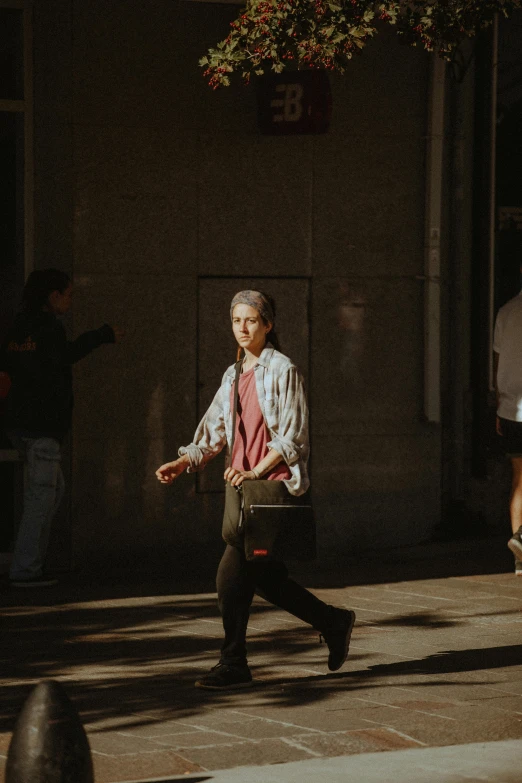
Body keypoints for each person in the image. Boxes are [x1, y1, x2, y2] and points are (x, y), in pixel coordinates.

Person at [156, 290, 356, 690]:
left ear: (268, 323)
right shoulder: (232, 376)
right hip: (247, 496)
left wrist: (255, 472)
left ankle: (234, 662)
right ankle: (333, 621)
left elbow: (293, 439)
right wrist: (183, 461)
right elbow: (212, 433)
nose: (242, 328)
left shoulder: (284, 370)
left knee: (230, 575)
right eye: (236, 321)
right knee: (266, 579)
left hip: (270, 492)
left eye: (250, 320)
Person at [0, 269, 123, 587]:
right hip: (42, 424)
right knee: (42, 495)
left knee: (51, 492)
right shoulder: (47, 328)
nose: (69, 301)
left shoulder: (17, 328)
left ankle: (28, 562)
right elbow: (64, 356)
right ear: (52, 295)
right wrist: (101, 335)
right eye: (68, 294)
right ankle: (25, 569)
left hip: (22, 423)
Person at [493, 277, 522, 576]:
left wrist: (499, 404)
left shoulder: (506, 311)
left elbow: (497, 359)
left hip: (511, 407)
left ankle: (519, 551)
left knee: (519, 479)